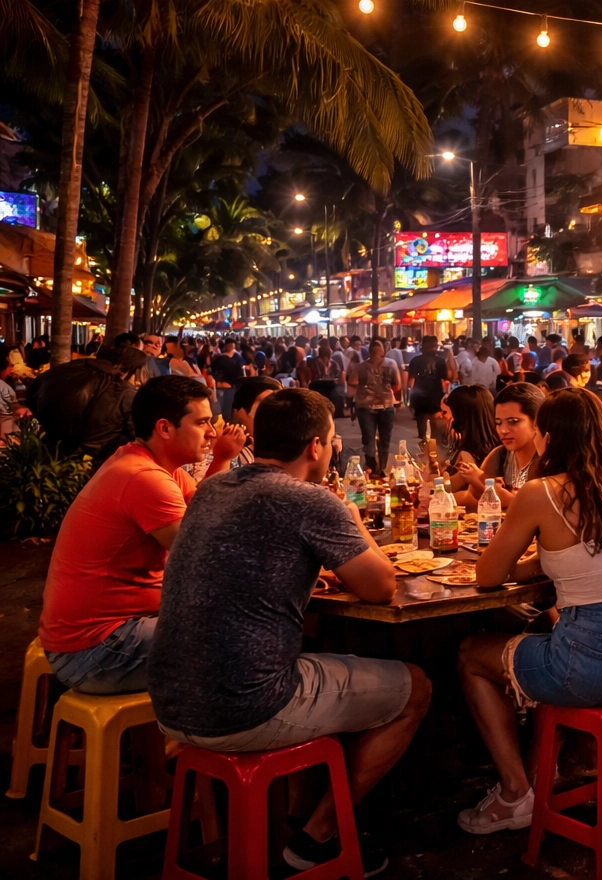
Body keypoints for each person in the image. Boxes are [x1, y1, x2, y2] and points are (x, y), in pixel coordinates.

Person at [149, 389, 429, 876]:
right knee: (416, 688)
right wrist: (353, 520)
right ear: (317, 447)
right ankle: (317, 837)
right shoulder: (308, 499)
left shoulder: (216, 487)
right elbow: (382, 588)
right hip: (243, 709)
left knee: (318, 656)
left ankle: (301, 810)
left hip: (169, 701)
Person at [454, 388, 602, 834]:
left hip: (597, 666)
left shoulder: (540, 492)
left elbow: (486, 577)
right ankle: (543, 776)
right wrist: (540, 561)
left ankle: (515, 793)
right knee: (542, 633)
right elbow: (600, 553)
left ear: (547, 436)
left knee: (471, 655)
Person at [37, 376, 245, 694]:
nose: (212, 432)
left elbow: (206, 513)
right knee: (248, 636)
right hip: (97, 650)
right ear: (164, 428)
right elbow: (205, 558)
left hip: (107, 635)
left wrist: (220, 459)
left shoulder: (159, 466)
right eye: (202, 422)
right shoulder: (144, 478)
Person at [26, 345, 143, 460]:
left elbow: (33, 393)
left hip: (51, 450)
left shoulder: (73, 368)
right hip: (92, 458)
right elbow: (138, 435)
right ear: (128, 369)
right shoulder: (124, 392)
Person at [457, 382, 544, 507]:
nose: (503, 430)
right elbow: (472, 497)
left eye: (513, 421)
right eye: (498, 422)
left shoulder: (548, 460)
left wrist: (483, 480)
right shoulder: (500, 454)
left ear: (537, 420)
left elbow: (531, 507)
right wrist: (436, 499)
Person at [349, 340, 402, 475]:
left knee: (368, 439)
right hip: (386, 406)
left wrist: (364, 387)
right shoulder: (391, 364)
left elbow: (352, 382)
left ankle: (371, 467)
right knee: (385, 439)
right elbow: (398, 384)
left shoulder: (360, 367)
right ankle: (383, 468)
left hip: (366, 407)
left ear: (370, 351)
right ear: (383, 350)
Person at [440, 384, 497, 501]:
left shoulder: (467, 455)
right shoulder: (497, 447)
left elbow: (447, 489)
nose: (441, 416)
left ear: (460, 417)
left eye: (445, 412)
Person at [407, 335, 453, 443]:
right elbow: (448, 377)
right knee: (436, 432)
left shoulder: (415, 360)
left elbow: (410, 381)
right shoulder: (440, 361)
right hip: (435, 398)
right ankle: (433, 452)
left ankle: (424, 448)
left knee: (422, 432)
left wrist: (410, 398)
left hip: (420, 398)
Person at [305, 338, 345, 416]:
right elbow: (338, 375)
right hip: (328, 386)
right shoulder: (333, 363)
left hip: (318, 386)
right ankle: (336, 411)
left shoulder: (313, 362)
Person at [209, 339, 246, 420]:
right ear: (233, 346)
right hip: (230, 388)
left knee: (218, 409)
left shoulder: (218, 358)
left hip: (218, 386)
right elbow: (240, 375)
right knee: (227, 410)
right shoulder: (237, 359)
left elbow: (212, 371)